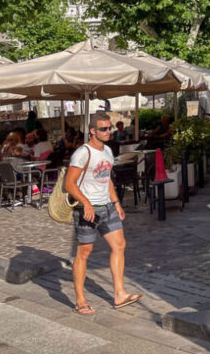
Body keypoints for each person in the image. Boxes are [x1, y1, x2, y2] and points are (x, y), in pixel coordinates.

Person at [64, 111, 142, 316]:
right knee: (84, 252)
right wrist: (86, 203)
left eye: (110, 128)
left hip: (107, 207)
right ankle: (80, 300)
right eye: (104, 129)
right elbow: (69, 184)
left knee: (120, 245)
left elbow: (106, 178)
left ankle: (119, 294)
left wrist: (116, 202)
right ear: (92, 131)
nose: (109, 132)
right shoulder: (82, 153)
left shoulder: (108, 151)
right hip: (87, 210)